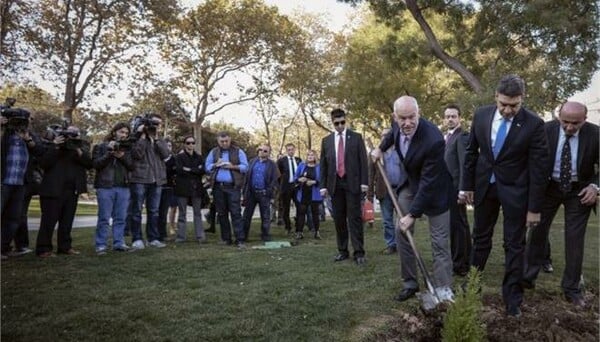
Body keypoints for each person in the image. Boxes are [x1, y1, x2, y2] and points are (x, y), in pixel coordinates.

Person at [461, 75, 548, 318]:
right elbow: (471, 153)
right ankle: (472, 287)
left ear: (522, 100)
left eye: (515, 105)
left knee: (514, 245)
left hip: (516, 192)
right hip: (485, 187)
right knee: (480, 239)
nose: (509, 110)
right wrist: (467, 186)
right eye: (504, 105)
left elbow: (539, 169)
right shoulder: (481, 115)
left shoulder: (534, 124)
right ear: (495, 98)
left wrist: (534, 208)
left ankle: (512, 299)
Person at [373, 96, 454, 302]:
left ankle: (444, 290)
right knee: (402, 231)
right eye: (403, 118)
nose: (407, 123)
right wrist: (380, 148)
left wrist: (412, 214)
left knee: (439, 242)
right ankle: (410, 283)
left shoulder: (434, 139)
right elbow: (392, 135)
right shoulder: (397, 124)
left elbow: (428, 184)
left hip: (435, 190)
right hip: (411, 184)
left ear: (419, 114)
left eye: (412, 118)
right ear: (395, 116)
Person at [523, 101, 599, 308]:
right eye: (565, 122)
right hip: (548, 188)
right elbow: (530, 159)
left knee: (574, 240)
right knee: (536, 233)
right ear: (559, 116)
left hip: (579, 191)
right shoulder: (544, 130)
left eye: (575, 123)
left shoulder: (595, 134)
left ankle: (571, 289)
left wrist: (595, 186)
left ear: (585, 119)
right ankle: (527, 278)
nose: (569, 127)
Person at [319, 108, 369, 265]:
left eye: (342, 122)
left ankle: (359, 252)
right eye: (336, 123)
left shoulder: (356, 137)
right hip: (335, 185)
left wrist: (364, 183)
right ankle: (342, 250)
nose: (340, 126)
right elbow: (324, 165)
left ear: (345, 120)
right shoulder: (326, 141)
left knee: (354, 219)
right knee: (339, 219)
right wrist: (323, 186)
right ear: (332, 122)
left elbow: (363, 162)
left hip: (352, 183)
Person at [35, 124, 93, 257]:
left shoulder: (79, 149)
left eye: (74, 135)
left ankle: (65, 247)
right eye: (68, 135)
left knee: (67, 221)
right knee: (48, 221)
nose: (70, 138)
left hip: (72, 189)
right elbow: (44, 163)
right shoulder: (50, 146)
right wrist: (55, 145)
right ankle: (44, 249)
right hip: (52, 190)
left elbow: (89, 164)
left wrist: (78, 149)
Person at [0, 109, 45, 259]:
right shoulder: (4, 133)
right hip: (3, 181)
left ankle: (4, 248)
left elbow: (40, 151)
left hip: (20, 183)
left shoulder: (29, 135)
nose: (22, 123)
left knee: (13, 218)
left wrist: (28, 139)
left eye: (26, 120)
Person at [91, 122, 135, 254]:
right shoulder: (101, 146)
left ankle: (119, 243)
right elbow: (96, 165)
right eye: (122, 132)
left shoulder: (127, 148)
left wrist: (121, 157)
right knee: (104, 217)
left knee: (121, 217)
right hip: (105, 186)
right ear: (114, 132)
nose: (124, 135)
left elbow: (132, 166)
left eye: (126, 133)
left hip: (124, 187)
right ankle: (101, 244)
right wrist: (109, 153)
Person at [129, 113, 170, 250]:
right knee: (136, 210)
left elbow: (166, 155)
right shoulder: (136, 138)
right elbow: (136, 154)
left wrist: (156, 139)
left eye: (159, 124)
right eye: (154, 123)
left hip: (157, 180)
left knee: (154, 211)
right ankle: (137, 239)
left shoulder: (160, 139)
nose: (156, 126)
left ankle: (153, 238)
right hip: (140, 178)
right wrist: (141, 137)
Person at [205, 131, 249, 248]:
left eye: (226, 141)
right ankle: (226, 238)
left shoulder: (238, 151)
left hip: (233, 187)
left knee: (235, 213)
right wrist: (215, 164)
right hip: (218, 187)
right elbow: (207, 167)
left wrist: (232, 166)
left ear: (230, 140)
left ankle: (240, 239)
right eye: (222, 141)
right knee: (222, 214)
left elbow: (245, 167)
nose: (224, 143)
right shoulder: (214, 152)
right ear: (218, 141)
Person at [442, 104, 472, 276]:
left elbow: (464, 164)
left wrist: (463, 189)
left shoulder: (462, 137)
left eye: (453, 116)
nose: (450, 119)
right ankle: (467, 258)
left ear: (459, 118)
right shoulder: (447, 137)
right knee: (460, 224)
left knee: (457, 226)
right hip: (448, 189)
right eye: (447, 116)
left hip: (456, 189)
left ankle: (460, 264)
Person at [368, 127, 402, 255]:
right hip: (384, 191)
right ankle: (391, 244)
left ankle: (402, 244)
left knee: (401, 219)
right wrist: (369, 195)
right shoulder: (376, 154)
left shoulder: (400, 150)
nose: (384, 137)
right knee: (387, 220)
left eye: (387, 135)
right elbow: (370, 175)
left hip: (400, 190)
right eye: (382, 135)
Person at [241, 144, 279, 242]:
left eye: (265, 151)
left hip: (264, 194)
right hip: (251, 193)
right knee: (246, 216)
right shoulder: (252, 161)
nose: (262, 152)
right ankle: (243, 236)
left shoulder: (272, 165)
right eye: (260, 149)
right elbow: (246, 177)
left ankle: (265, 235)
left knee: (265, 216)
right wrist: (244, 192)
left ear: (269, 153)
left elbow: (275, 180)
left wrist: (269, 191)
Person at [173, 136, 206, 243]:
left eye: (192, 143)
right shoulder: (179, 157)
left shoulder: (199, 157)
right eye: (188, 143)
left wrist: (188, 169)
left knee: (197, 213)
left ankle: (200, 237)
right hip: (182, 188)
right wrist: (195, 170)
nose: (190, 145)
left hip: (196, 188)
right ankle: (181, 237)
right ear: (184, 144)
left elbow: (202, 170)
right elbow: (179, 170)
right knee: (182, 213)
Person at [293, 150, 323, 240]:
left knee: (315, 213)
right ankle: (299, 232)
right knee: (301, 213)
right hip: (303, 193)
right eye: (308, 155)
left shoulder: (319, 167)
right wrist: (299, 179)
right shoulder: (302, 166)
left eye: (312, 155)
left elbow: (323, 179)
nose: (310, 156)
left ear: (315, 157)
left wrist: (314, 182)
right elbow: (295, 177)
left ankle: (317, 232)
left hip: (315, 193)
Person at [277, 143, 302, 234]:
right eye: (289, 149)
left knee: (300, 207)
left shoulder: (299, 160)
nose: (291, 151)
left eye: (292, 149)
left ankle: (298, 228)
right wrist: (281, 185)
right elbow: (278, 175)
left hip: (297, 187)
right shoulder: (281, 161)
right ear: (286, 150)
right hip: (286, 187)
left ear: (294, 150)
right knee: (285, 208)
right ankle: (288, 227)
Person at [158, 138, 177, 240]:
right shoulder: (157, 158)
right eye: (166, 146)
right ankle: (153, 234)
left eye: (170, 146)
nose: (168, 148)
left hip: (169, 187)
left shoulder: (174, 159)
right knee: (155, 211)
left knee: (164, 212)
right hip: (157, 187)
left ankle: (162, 234)